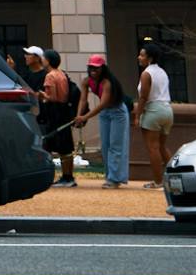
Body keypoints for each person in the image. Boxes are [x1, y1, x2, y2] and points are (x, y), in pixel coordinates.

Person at [74, 54, 132, 187]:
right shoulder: (86, 81)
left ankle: (115, 178)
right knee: (105, 146)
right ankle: (110, 176)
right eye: (91, 68)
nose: (93, 71)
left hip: (117, 112)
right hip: (105, 113)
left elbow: (103, 103)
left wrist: (85, 117)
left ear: (103, 68)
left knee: (116, 145)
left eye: (97, 68)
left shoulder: (107, 82)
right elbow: (83, 100)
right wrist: (79, 115)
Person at [134, 45, 174, 188]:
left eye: (142, 55)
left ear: (149, 58)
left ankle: (158, 181)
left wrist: (137, 115)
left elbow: (143, 97)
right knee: (162, 146)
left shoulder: (146, 73)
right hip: (167, 109)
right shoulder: (162, 72)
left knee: (153, 148)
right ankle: (173, 178)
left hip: (153, 110)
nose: (139, 57)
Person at [39, 49, 79, 187]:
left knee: (51, 145)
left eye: (43, 58)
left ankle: (57, 177)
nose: (42, 60)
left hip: (54, 113)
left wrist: (42, 96)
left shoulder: (50, 76)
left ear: (48, 61)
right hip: (64, 112)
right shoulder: (62, 74)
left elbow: (52, 97)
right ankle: (68, 176)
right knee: (66, 147)